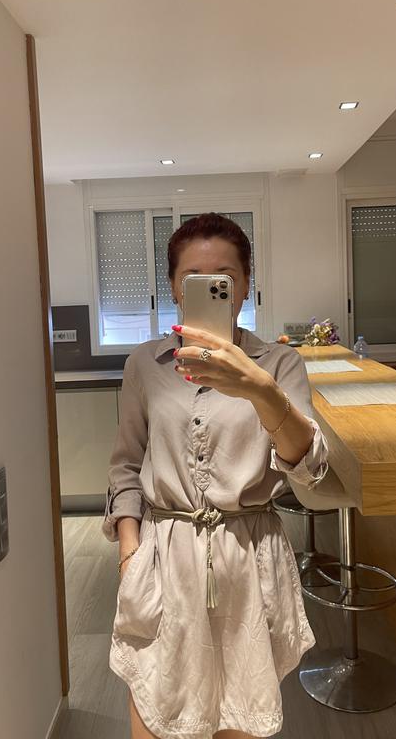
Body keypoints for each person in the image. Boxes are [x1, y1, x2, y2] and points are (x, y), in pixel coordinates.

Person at [102, 212, 335, 739]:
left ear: (245, 285)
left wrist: (258, 389)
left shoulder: (279, 364)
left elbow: (310, 469)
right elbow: (125, 464)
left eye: (224, 278)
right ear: (174, 289)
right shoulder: (144, 365)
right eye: (194, 278)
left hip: (249, 562)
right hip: (163, 558)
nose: (211, 288)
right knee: (156, 711)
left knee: (239, 720)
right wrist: (129, 554)